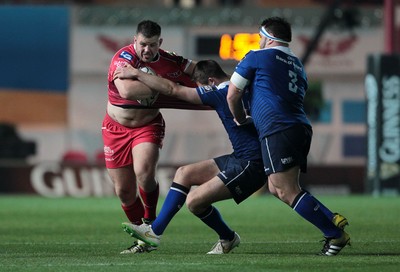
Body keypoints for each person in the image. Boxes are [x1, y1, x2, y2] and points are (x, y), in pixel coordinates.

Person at [113, 59, 267, 254]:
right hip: (241, 156)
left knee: (194, 202)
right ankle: (155, 233)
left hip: (251, 165)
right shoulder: (247, 88)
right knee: (184, 173)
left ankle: (225, 236)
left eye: (201, 86)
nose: (201, 92)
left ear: (211, 81)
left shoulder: (220, 93)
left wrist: (136, 73)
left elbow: (173, 89)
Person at [226, 16, 350, 256]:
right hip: (299, 127)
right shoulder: (297, 65)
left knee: (284, 190)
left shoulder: (256, 56)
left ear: (268, 37)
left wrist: (240, 119)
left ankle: (335, 235)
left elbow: (233, 94)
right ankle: (330, 218)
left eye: (261, 37)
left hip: (278, 128)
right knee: (278, 188)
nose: (259, 41)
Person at [103, 20, 205, 254]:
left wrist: (230, 81)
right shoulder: (123, 58)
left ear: (160, 43)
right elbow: (127, 91)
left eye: (152, 45)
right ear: (134, 40)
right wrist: (170, 86)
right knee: (124, 191)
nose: (146, 50)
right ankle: (143, 238)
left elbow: (198, 70)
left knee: (144, 172)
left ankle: (150, 223)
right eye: (142, 44)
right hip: (114, 128)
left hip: (147, 125)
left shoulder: (171, 60)